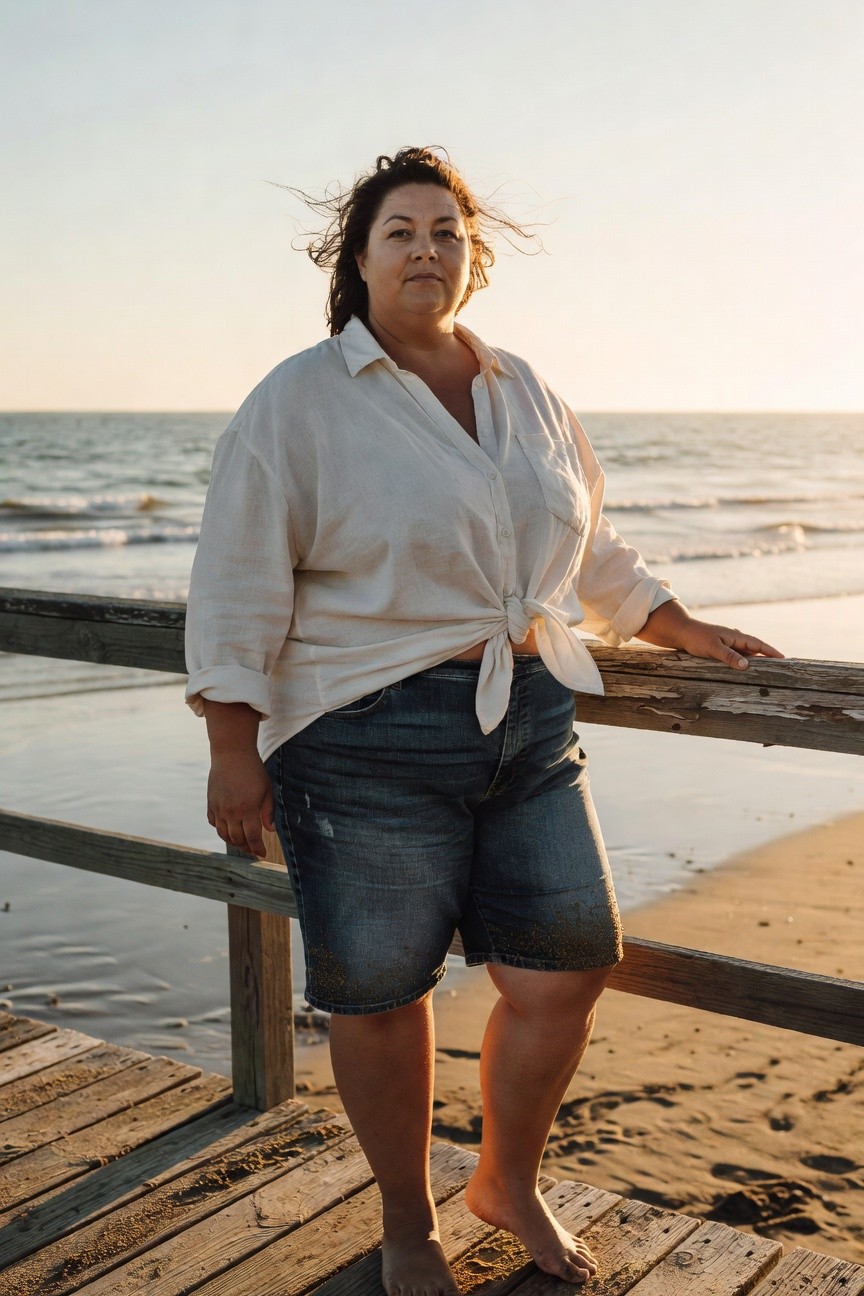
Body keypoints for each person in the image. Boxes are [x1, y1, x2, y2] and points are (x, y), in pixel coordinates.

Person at [185, 147, 783, 1296]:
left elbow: (587, 541)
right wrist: (231, 746)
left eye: (447, 233)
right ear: (358, 260)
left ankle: (507, 1181)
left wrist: (675, 622)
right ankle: (407, 1223)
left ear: (475, 258)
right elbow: (236, 580)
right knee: (380, 993)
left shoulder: (525, 389)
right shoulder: (299, 400)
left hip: (531, 718)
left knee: (566, 970)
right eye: (401, 232)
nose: (427, 251)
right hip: (362, 734)